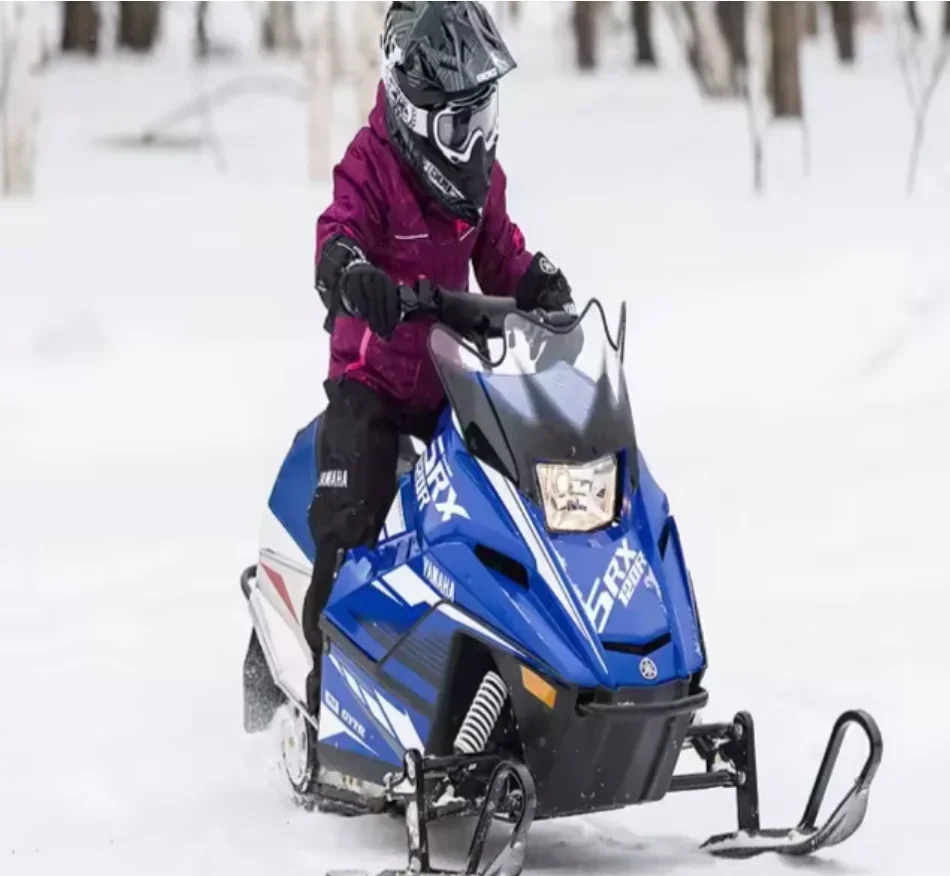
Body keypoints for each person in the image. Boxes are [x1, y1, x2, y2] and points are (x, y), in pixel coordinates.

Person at [303, 1, 574, 709]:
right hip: (375, 384)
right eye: (462, 123)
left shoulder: (479, 177)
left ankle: (525, 679)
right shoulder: (372, 164)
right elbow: (339, 229)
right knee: (351, 516)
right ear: (413, 113)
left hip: (453, 386)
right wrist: (350, 271)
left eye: (484, 118)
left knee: (516, 509)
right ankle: (320, 697)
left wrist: (533, 280)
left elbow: (498, 250)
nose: (478, 139)